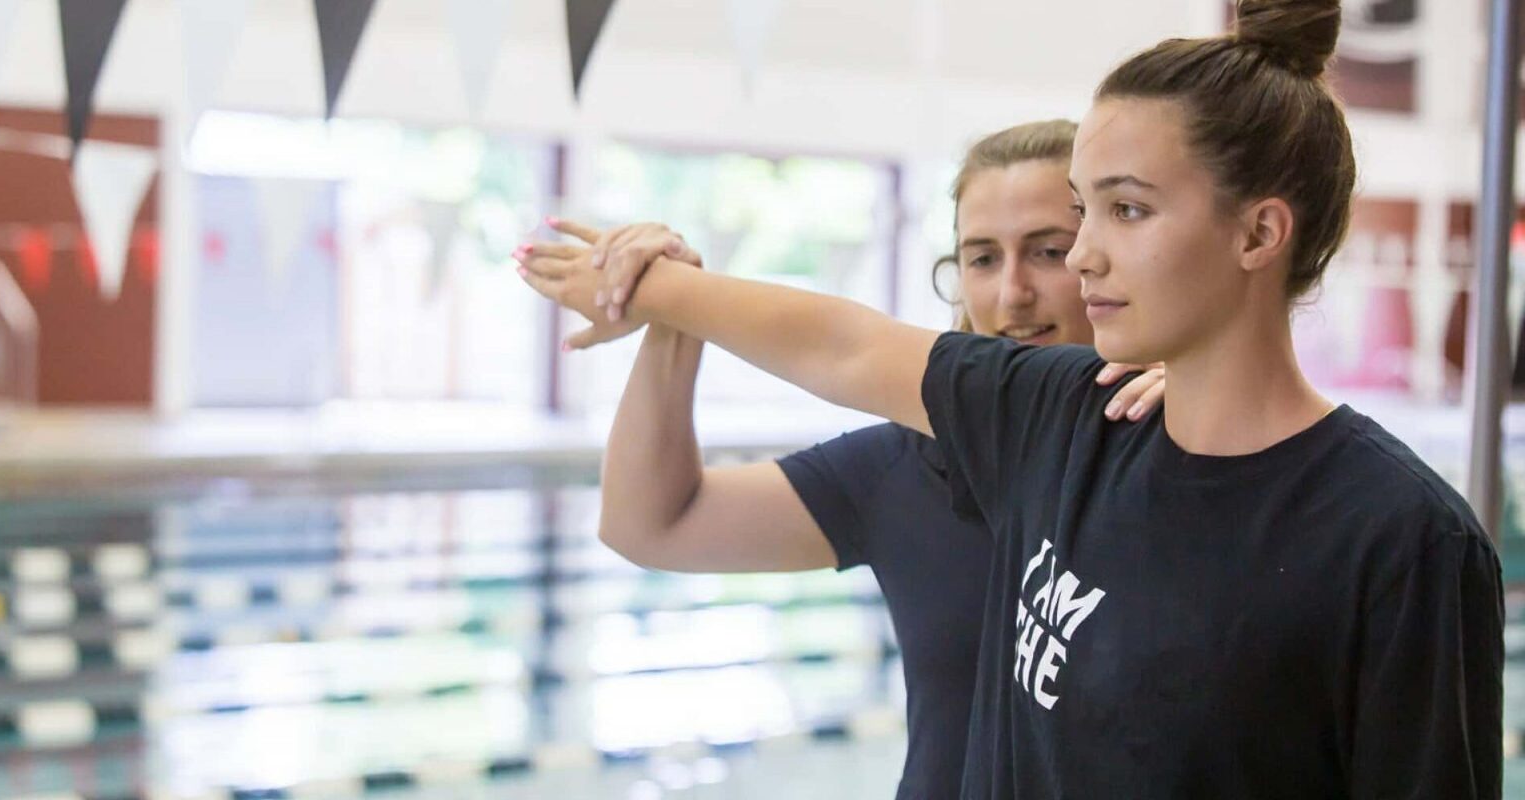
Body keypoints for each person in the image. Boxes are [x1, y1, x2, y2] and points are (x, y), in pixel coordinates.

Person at [519, 0, 1505, 796]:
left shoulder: (1398, 538)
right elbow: (843, 344)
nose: (1069, 265)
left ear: (1256, 234)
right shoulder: (1047, 417)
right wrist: (657, 290)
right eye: (984, 255)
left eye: (1113, 212)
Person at [518, 120, 1165, 799]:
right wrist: (672, 313)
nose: (1011, 293)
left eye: (1047, 252)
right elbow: (649, 523)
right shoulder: (906, 466)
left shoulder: (1182, 450)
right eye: (981, 258)